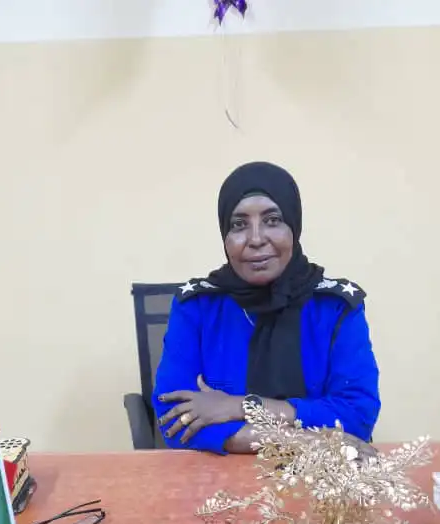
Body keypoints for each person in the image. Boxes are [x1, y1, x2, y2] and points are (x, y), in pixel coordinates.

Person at [152, 161, 381, 454]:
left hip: (322, 477)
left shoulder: (335, 308)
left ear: (294, 226)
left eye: (272, 220)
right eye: (239, 224)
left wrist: (241, 406)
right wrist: (300, 441)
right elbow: (174, 420)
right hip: (219, 475)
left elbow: (357, 416)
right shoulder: (197, 307)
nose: (257, 239)